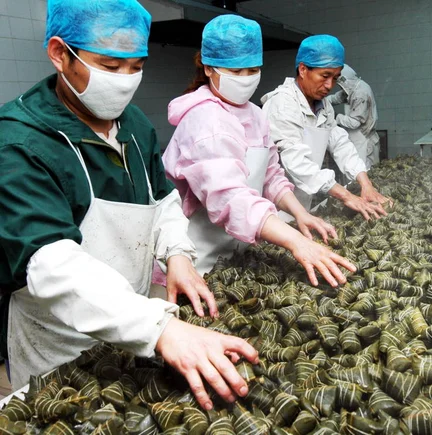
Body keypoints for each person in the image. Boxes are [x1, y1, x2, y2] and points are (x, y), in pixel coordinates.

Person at [0, 0, 257, 411]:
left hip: (138, 327)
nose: (124, 81)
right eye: (109, 66)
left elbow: (164, 198)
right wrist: (161, 329)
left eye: (135, 66)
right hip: (57, 342)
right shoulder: (18, 142)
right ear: (59, 54)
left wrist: (177, 253)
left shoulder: (134, 124)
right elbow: (51, 264)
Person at [160, 15, 355, 287]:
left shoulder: (255, 115)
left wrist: (300, 214)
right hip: (195, 259)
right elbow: (230, 197)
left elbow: (270, 176)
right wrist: (294, 240)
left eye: (252, 70)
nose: (245, 79)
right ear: (208, 69)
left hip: (236, 252)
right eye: (236, 72)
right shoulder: (204, 119)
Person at [261, 35, 391, 220]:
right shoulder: (282, 104)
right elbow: (296, 162)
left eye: (335, 78)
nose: (330, 85)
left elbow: (340, 144)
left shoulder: (323, 105)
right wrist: (347, 196)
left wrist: (365, 184)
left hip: (302, 202)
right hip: (274, 206)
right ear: (303, 69)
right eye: (324, 76)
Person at [328, 64, 380, 169]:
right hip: (356, 139)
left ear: (345, 80)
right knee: (354, 171)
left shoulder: (360, 93)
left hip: (363, 141)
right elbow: (336, 98)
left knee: (362, 173)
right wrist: (321, 101)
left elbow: (354, 122)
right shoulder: (353, 87)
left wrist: (336, 117)